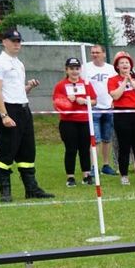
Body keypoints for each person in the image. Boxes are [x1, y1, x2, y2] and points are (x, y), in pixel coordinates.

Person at [0, 28, 52, 202]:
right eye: (13, 41)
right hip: (9, 109)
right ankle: (5, 190)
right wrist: (4, 115)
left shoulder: (19, 63)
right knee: (7, 150)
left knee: (27, 150)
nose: (17, 44)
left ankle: (31, 188)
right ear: (4, 42)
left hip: (23, 109)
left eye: (19, 41)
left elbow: (16, 90)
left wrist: (29, 87)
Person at [51, 57, 98, 187]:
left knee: (84, 149)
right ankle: (70, 177)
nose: (74, 71)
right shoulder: (61, 85)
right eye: (71, 69)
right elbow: (56, 103)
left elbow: (94, 101)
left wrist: (85, 101)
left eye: (77, 68)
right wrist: (67, 101)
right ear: (66, 70)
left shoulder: (86, 84)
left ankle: (86, 175)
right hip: (68, 122)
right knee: (71, 149)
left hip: (84, 120)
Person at [107, 50, 135, 185]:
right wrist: (124, 81)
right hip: (122, 115)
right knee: (124, 146)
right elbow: (115, 96)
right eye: (122, 63)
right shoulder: (112, 80)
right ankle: (124, 175)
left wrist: (132, 82)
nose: (125, 65)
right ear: (117, 66)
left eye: (127, 62)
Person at [81, 44, 116, 176]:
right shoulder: (85, 68)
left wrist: (113, 101)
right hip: (94, 108)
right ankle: (94, 166)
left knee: (107, 139)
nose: (95, 54)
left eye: (97, 52)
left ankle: (106, 165)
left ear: (104, 54)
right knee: (95, 139)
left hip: (108, 107)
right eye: (93, 52)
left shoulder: (111, 69)